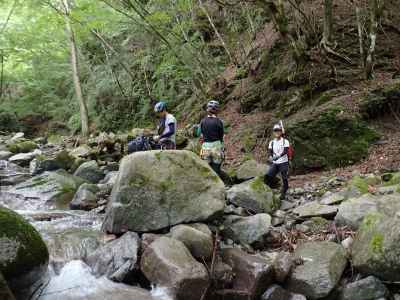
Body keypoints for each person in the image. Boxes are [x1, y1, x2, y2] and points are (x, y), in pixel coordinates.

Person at [264, 124, 290, 200]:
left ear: (281, 132)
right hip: (275, 163)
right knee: (268, 176)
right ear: (273, 132)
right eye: (275, 130)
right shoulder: (271, 142)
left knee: (284, 177)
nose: (277, 132)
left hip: (284, 162)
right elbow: (270, 151)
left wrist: (278, 156)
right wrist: (270, 157)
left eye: (278, 130)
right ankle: (270, 190)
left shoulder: (285, 141)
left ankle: (284, 190)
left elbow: (285, 151)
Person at [199, 100, 225, 176]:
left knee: (206, 171)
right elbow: (221, 135)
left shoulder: (202, 121)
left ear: (208, 110)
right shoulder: (220, 121)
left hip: (205, 147)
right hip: (217, 147)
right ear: (217, 111)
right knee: (216, 170)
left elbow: (198, 133)